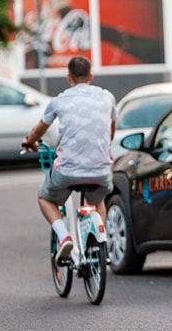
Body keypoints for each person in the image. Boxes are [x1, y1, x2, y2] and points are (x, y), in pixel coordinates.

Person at [22, 56, 117, 265]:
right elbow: (111, 130)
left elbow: (39, 129)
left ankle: (64, 236)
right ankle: (101, 248)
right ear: (91, 76)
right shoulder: (107, 97)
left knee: (45, 197)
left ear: (69, 78)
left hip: (67, 170)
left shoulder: (59, 100)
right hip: (101, 171)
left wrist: (30, 141)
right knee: (97, 199)